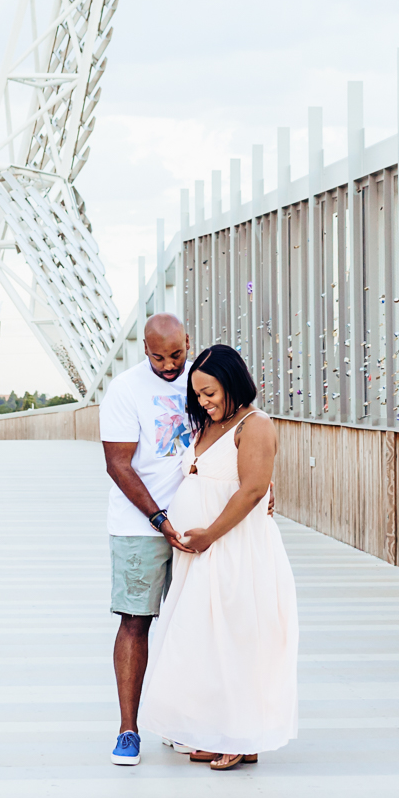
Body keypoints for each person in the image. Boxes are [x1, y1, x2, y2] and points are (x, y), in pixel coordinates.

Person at [138, 343, 299, 770]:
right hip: (202, 554)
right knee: (205, 642)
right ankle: (215, 728)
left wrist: (208, 533)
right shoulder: (208, 425)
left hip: (236, 550)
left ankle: (243, 736)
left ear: (233, 383)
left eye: (210, 393)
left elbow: (251, 490)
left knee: (240, 638)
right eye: (198, 395)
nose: (204, 402)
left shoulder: (255, 424)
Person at [99, 313, 195, 767]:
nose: (169, 365)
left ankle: (182, 723)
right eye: (159, 357)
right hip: (141, 527)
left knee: (193, 624)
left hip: (198, 524)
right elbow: (119, 464)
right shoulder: (125, 390)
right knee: (136, 623)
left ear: (188, 343)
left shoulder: (203, 379)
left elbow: (240, 434)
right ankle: (128, 730)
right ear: (145, 350)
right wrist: (159, 519)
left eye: (176, 354)